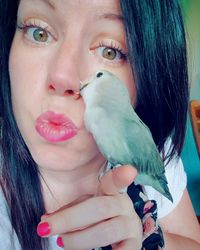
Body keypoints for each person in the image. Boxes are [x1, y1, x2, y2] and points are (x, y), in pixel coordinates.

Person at [0, 0, 200, 249]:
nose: (63, 78)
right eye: (38, 32)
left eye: (110, 51)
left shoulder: (150, 148)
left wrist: (148, 241)